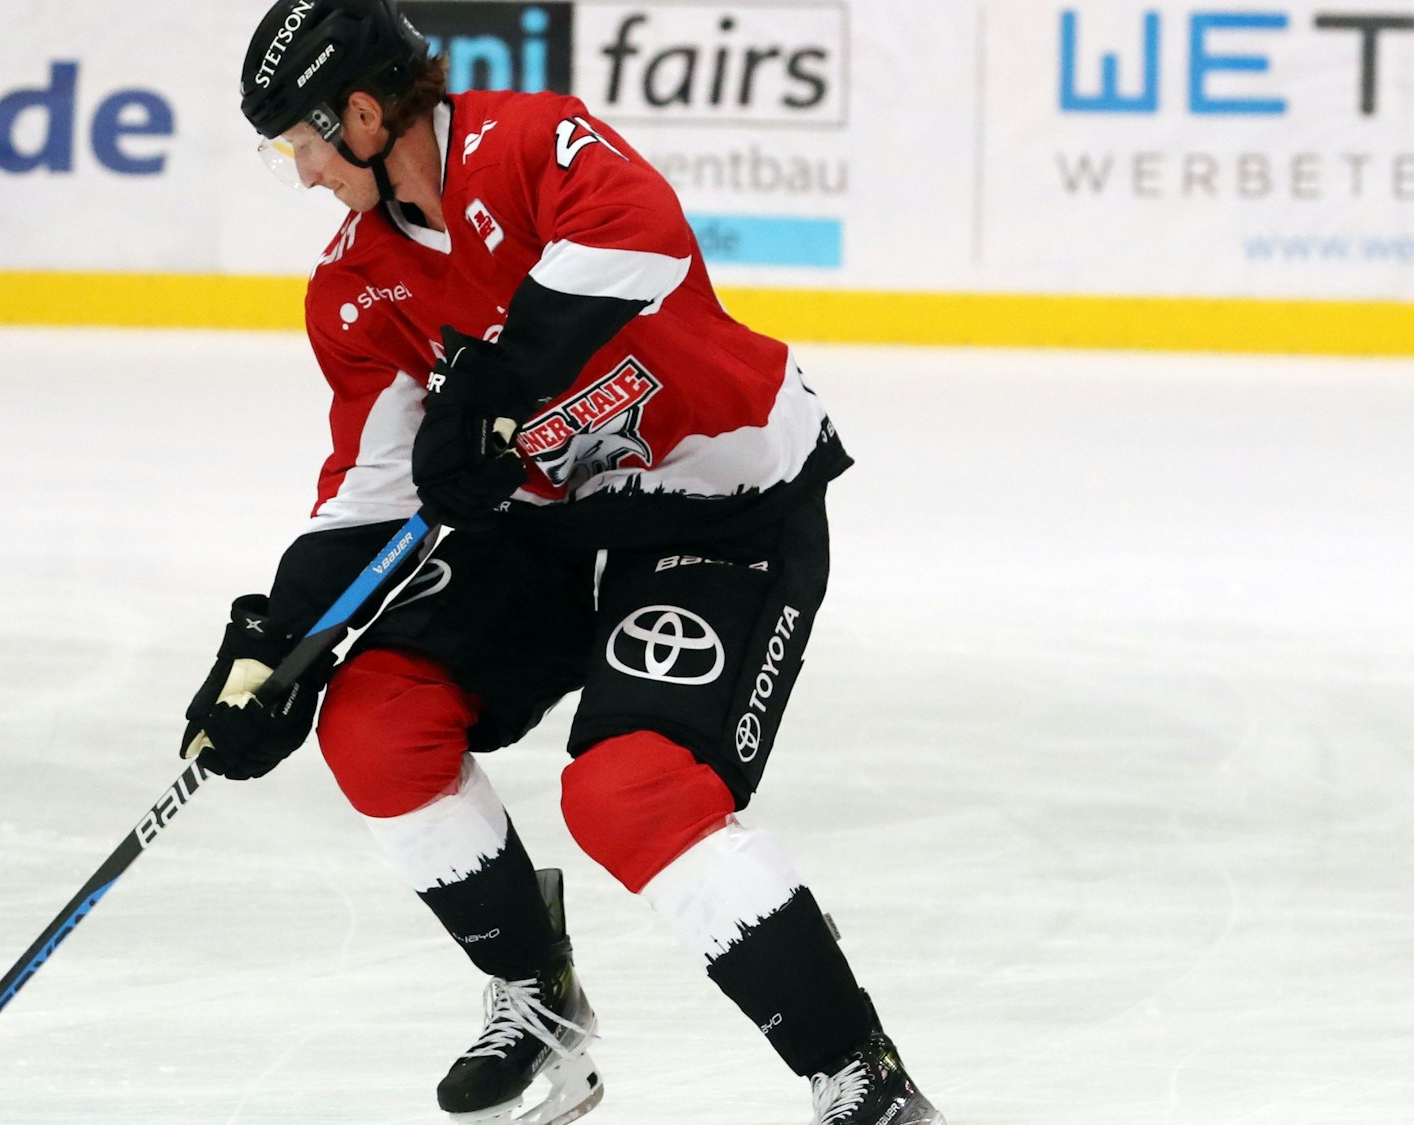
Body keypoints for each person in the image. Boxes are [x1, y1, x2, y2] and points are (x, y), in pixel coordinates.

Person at [181, 2, 946, 1122]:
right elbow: (374, 489)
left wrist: (496, 374)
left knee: (629, 792)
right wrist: (274, 644)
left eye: (296, 141)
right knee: (372, 721)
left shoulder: (528, 142)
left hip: (720, 504)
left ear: (357, 113)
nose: (299, 174)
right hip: (542, 533)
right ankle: (537, 1005)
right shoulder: (355, 287)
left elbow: (640, 235)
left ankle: (857, 1073)